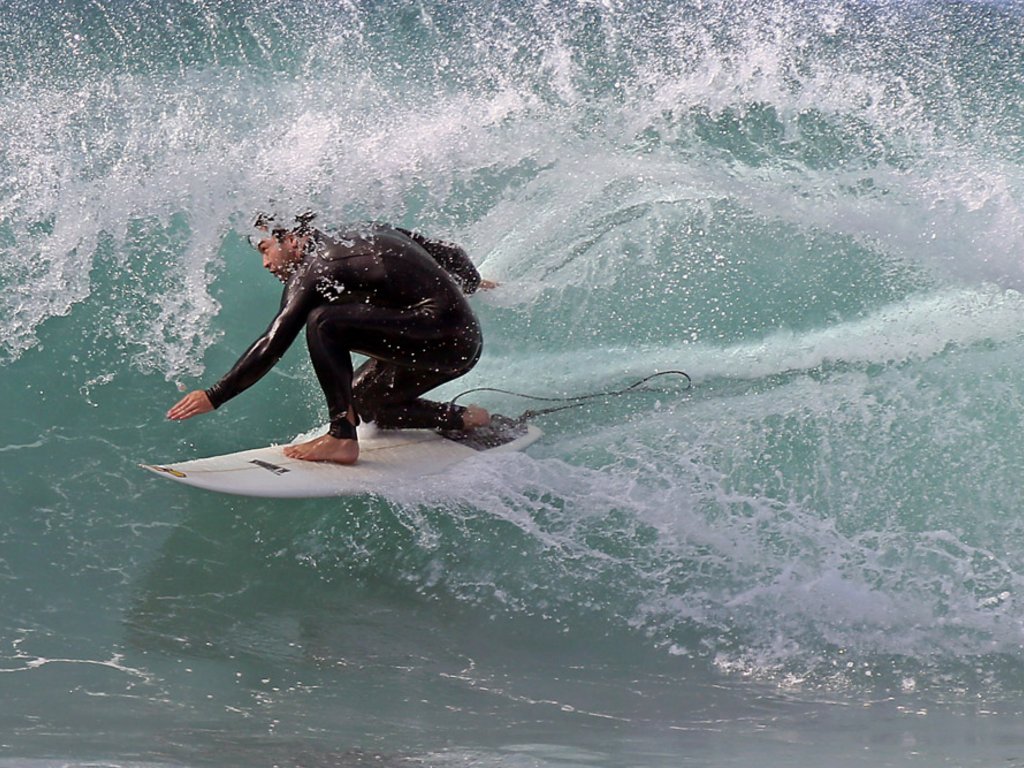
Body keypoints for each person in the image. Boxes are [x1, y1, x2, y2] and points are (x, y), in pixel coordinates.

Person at [166, 214, 494, 465]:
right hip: (459, 340)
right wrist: (473, 283)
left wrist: (215, 395)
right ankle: (464, 418)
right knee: (363, 401)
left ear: (293, 239)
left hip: (444, 341)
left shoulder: (316, 267)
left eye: (266, 250)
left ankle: (341, 436)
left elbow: (273, 342)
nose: (265, 263)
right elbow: (448, 252)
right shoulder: (363, 230)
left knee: (323, 322)